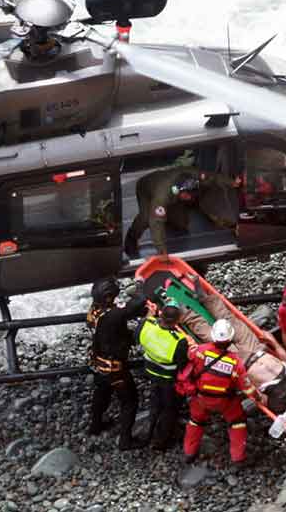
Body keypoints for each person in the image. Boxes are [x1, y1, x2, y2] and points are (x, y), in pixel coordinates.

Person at [177, 319, 257, 466]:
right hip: (225, 402)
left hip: (200, 398)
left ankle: (189, 453)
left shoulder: (200, 351)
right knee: (237, 423)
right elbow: (247, 387)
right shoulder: (235, 362)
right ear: (230, 339)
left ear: (213, 336)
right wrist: (258, 397)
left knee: (195, 421)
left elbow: (188, 358)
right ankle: (238, 458)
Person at [124, 167, 242, 259]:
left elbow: (212, 177)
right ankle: (131, 238)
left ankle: (170, 216)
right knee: (145, 218)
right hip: (146, 188)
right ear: (179, 191)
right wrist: (162, 252)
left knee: (182, 224)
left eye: (191, 194)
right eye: (187, 195)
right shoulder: (162, 196)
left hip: (172, 195)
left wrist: (232, 182)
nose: (190, 197)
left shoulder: (195, 176)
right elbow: (156, 222)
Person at [86, 277, 149, 450]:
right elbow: (137, 303)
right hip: (115, 368)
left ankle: (95, 425)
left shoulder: (94, 311)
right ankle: (125, 440)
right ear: (108, 297)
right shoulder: (113, 314)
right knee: (130, 401)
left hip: (98, 363)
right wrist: (140, 287)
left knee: (102, 393)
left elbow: (120, 317)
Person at [136, 304, 189, 450]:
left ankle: (148, 431)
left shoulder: (148, 325)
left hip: (151, 371)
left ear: (161, 315)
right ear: (177, 321)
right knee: (170, 409)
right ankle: (161, 441)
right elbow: (182, 363)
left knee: (155, 402)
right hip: (168, 378)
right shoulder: (179, 340)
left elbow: (137, 336)